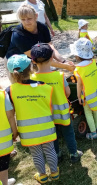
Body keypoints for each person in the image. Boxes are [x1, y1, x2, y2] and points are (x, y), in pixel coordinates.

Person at [6, 54, 59, 184]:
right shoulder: (44, 86)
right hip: (47, 127)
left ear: (12, 74)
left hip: (28, 132)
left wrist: (14, 131)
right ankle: (55, 173)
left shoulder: (10, 91)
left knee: (36, 154)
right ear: (31, 68)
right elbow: (50, 107)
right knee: (50, 149)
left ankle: (42, 176)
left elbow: (11, 113)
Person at [30, 43, 83, 163]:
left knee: (52, 136)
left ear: (33, 61)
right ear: (51, 59)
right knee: (69, 133)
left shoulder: (32, 78)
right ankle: (74, 154)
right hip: (63, 113)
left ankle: (57, 155)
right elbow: (68, 93)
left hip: (46, 115)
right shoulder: (59, 75)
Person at [5, 4, 74, 82]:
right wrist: (65, 66)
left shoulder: (43, 27)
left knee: (39, 81)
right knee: (21, 86)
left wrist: (63, 61)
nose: (26, 22)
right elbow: (39, 59)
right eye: (23, 19)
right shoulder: (18, 35)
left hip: (32, 57)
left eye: (29, 18)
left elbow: (50, 47)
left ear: (36, 16)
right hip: (16, 62)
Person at [70, 38, 97, 140]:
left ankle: (93, 133)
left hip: (87, 95)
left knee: (88, 112)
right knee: (95, 109)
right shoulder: (93, 62)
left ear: (77, 55)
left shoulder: (79, 69)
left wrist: (78, 96)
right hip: (95, 92)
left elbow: (79, 85)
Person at [0, 89, 18, 185]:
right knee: (3, 165)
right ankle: (4, 182)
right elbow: (10, 116)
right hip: (2, 142)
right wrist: (15, 132)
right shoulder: (2, 94)